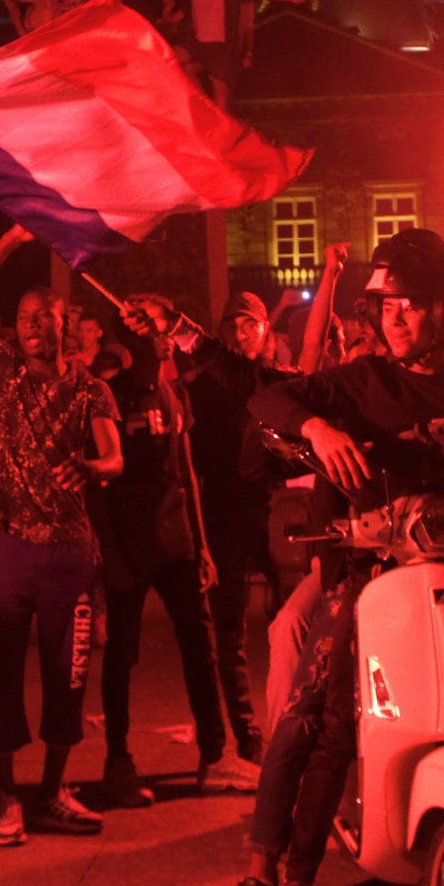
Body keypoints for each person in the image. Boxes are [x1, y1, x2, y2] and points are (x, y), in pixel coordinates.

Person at [207, 227, 444, 886]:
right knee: (317, 717)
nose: (397, 318)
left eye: (412, 305)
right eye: (387, 307)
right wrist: (317, 428)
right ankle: (275, 877)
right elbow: (271, 402)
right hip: (365, 583)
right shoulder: (357, 382)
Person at [0, 225, 123, 847]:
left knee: (66, 676)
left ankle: (51, 791)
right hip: (7, 546)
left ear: (63, 324)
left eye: (42, 318)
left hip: (68, 552)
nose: (31, 328)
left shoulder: (90, 389)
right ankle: (6, 797)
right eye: (22, 318)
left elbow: (114, 457)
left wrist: (94, 467)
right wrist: (11, 241)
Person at [97, 294, 258, 806]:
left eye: (160, 335)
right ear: (131, 342)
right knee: (122, 655)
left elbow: (185, 471)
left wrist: (202, 545)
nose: (161, 341)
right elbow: (95, 483)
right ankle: (117, 759)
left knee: (201, 646)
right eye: (149, 335)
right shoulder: (107, 395)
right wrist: (110, 554)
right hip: (129, 541)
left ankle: (214, 756)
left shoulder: (171, 395)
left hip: (177, 542)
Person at [174, 289, 299, 764]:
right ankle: (246, 735)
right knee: (228, 629)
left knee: (295, 620)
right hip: (223, 514)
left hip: (272, 511)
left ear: (267, 329)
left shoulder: (274, 383)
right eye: (234, 325)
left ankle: (296, 723)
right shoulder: (203, 388)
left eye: (251, 323)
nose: (242, 332)